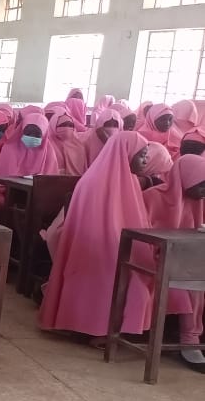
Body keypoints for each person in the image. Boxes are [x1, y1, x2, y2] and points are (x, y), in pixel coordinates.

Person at [39, 132, 150, 340]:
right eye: (142, 154)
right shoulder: (94, 182)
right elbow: (92, 229)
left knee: (143, 279)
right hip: (96, 251)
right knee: (127, 282)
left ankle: (114, 328)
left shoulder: (131, 182)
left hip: (120, 247)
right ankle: (95, 329)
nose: (146, 161)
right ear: (126, 154)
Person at [124, 155, 205, 371]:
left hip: (187, 259)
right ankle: (189, 342)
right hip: (153, 257)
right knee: (192, 285)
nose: (203, 191)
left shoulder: (199, 202)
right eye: (201, 185)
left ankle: (192, 339)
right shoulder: (153, 197)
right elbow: (138, 233)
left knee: (197, 275)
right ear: (186, 179)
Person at [0, 114, 59, 178]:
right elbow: (1, 179)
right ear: (22, 131)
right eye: (28, 133)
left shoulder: (49, 152)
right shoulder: (9, 149)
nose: (31, 136)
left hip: (40, 188)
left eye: (37, 134)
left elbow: (52, 181)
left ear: (44, 135)